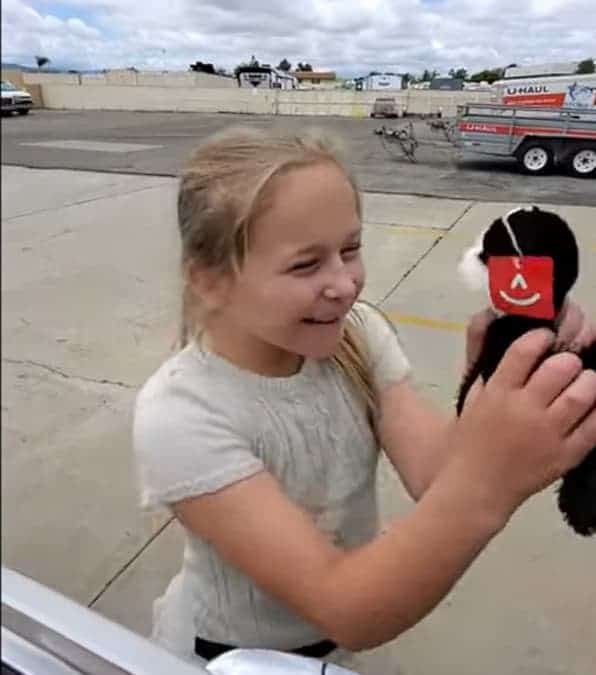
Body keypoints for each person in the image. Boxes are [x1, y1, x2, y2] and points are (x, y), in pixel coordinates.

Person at [133, 127, 596, 672]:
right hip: (230, 658)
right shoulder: (181, 416)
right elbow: (346, 607)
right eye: (306, 264)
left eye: (350, 249)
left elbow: (435, 473)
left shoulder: (357, 334)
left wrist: (487, 375)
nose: (345, 284)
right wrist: (489, 485)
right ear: (211, 281)